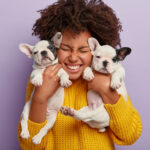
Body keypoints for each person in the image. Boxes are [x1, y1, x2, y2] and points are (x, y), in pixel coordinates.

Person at [17, 0, 142, 149]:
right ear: (54, 46)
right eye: (65, 48)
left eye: (83, 50)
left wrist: (107, 92)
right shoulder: (41, 79)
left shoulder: (110, 78)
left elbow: (129, 136)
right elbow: (30, 146)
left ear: (96, 49)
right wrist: (40, 98)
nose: (74, 57)